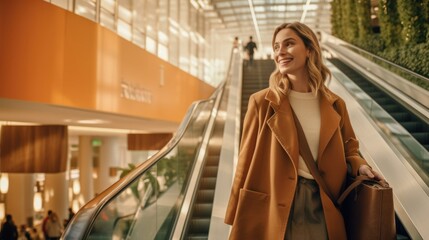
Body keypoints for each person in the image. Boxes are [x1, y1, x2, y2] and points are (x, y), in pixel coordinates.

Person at [224, 22, 384, 240]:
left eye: (289, 44)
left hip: (324, 203)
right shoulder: (262, 102)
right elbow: (245, 159)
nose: (280, 51)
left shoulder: (335, 104)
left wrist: (361, 166)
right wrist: (235, 212)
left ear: (309, 50)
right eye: (276, 46)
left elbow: (350, 148)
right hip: (274, 206)